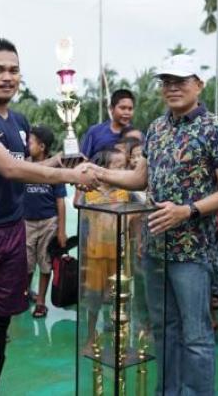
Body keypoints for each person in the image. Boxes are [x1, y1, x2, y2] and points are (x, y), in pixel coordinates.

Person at [0, 38, 97, 396]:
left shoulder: (20, 121)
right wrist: (70, 176)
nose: (7, 77)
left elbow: (23, 167)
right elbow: (9, 168)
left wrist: (62, 161)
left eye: (13, 70)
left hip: (12, 232)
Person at [91, 54, 218, 396]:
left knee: (196, 335)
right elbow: (140, 178)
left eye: (181, 81)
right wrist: (98, 172)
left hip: (193, 251)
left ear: (198, 85)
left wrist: (187, 211)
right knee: (163, 328)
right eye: (166, 82)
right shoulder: (156, 128)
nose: (172, 88)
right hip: (155, 248)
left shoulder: (217, 128)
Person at [79, 148, 131, 350]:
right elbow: (80, 210)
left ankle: (121, 339)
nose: (123, 171)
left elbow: (133, 219)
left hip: (119, 254)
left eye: (124, 166)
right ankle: (90, 337)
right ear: (104, 168)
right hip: (96, 254)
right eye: (118, 166)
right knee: (93, 298)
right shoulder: (91, 193)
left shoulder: (125, 192)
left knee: (120, 297)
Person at [23, 125, 67, 318]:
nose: (27, 145)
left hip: (49, 223)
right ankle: (24, 294)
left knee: (46, 263)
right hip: (26, 223)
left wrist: (61, 230)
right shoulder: (23, 165)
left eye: (30, 142)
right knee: (26, 264)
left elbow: (60, 202)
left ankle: (41, 302)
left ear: (42, 147)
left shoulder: (55, 170)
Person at [80, 89, 135, 160]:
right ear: (111, 109)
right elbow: (83, 158)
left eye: (130, 109)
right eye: (123, 108)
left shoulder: (137, 136)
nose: (127, 112)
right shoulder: (95, 132)